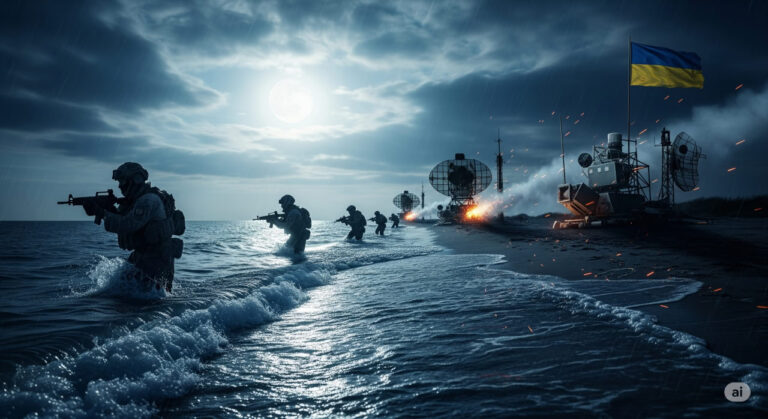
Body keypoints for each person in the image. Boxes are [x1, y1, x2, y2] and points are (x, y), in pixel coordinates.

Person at [84, 162, 184, 292]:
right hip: (143, 255)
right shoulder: (136, 201)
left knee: (149, 302)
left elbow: (128, 224)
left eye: (123, 181)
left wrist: (102, 213)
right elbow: (125, 219)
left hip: (157, 259)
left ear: (135, 180)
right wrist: (109, 210)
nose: (120, 186)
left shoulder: (148, 200)